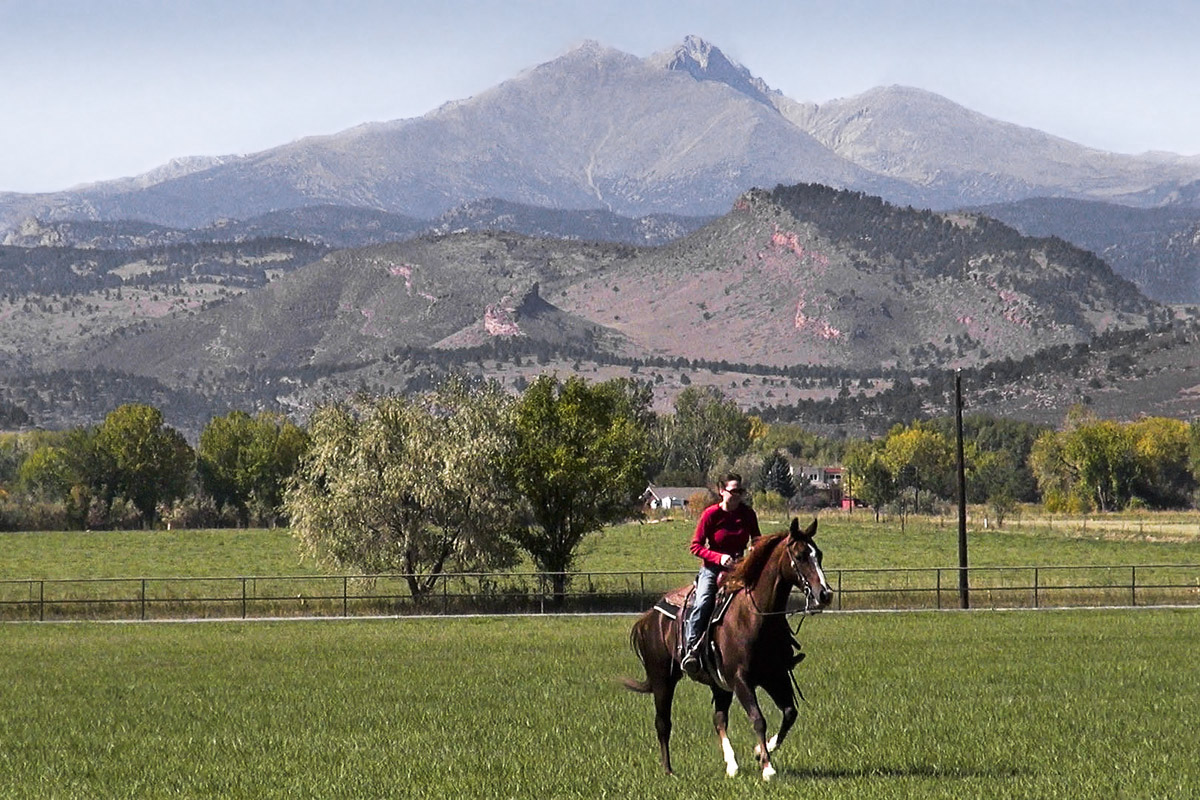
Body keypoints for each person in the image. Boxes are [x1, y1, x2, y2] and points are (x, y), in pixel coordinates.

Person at [681, 472, 760, 674]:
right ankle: (692, 650)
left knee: (761, 598)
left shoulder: (747, 514)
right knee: (704, 602)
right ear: (721, 491)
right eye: (733, 491)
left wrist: (755, 549)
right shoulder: (711, 514)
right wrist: (718, 558)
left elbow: (757, 539)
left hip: (740, 567)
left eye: (740, 491)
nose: (737, 496)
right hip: (713, 568)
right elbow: (695, 546)